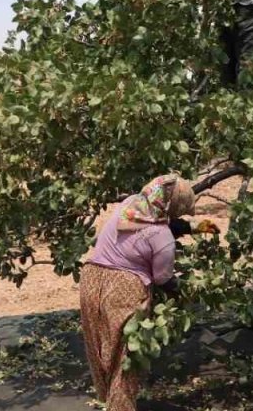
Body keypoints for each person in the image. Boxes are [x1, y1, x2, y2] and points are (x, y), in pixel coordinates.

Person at [80, 174, 200, 411]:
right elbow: (162, 278)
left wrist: (193, 228)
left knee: (102, 350)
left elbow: (150, 227)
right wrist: (185, 292)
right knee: (124, 360)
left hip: (91, 280)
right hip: (123, 290)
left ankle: (109, 402)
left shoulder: (131, 205)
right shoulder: (162, 237)